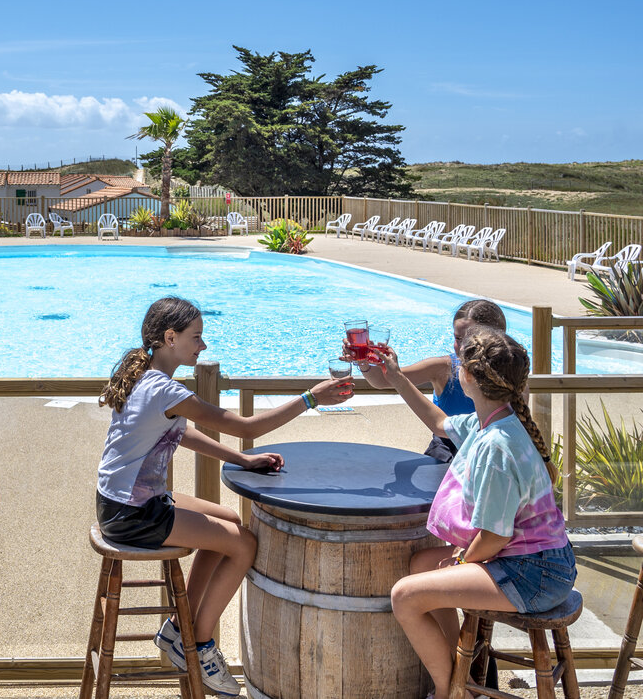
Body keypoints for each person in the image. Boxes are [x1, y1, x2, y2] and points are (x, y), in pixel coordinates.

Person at [95, 297, 354, 697]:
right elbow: (247, 426)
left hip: (124, 501)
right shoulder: (164, 389)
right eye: (195, 337)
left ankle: (179, 630)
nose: (202, 346)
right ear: (170, 338)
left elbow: (180, 433)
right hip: (132, 512)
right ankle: (197, 645)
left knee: (230, 520)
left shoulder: (146, 376)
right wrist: (310, 399)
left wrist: (241, 460)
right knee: (243, 544)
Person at [378, 327, 575, 699]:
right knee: (421, 564)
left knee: (405, 595)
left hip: (534, 573)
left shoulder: (497, 446)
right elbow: (439, 423)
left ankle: (450, 691)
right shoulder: (496, 420)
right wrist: (397, 378)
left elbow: (496, 536)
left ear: (467, 376)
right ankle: (461, 677)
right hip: (537, 562)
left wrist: (462, 560)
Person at [350, 299, 507, 461]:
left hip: (490, 448)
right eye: (458, 338)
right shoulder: (443, 367)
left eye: (471, 339)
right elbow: (382, 381)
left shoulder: (511, 375)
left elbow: (441, 424)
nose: (462, 347)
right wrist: (362, 360)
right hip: (447, 448)